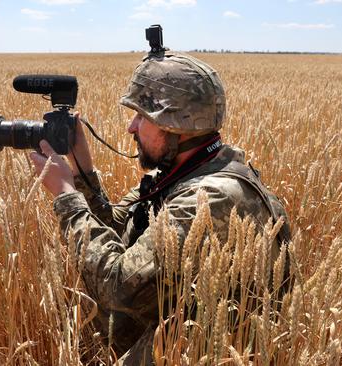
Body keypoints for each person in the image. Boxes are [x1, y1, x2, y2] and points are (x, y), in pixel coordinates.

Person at [28, 52, 291, 365]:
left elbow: (116, 286)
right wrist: (82, 169)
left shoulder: (211, 198)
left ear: (176, 125)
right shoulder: (186, 171)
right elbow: (117, 231)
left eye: (142, 117)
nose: (131, 127)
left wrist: (65, 194)